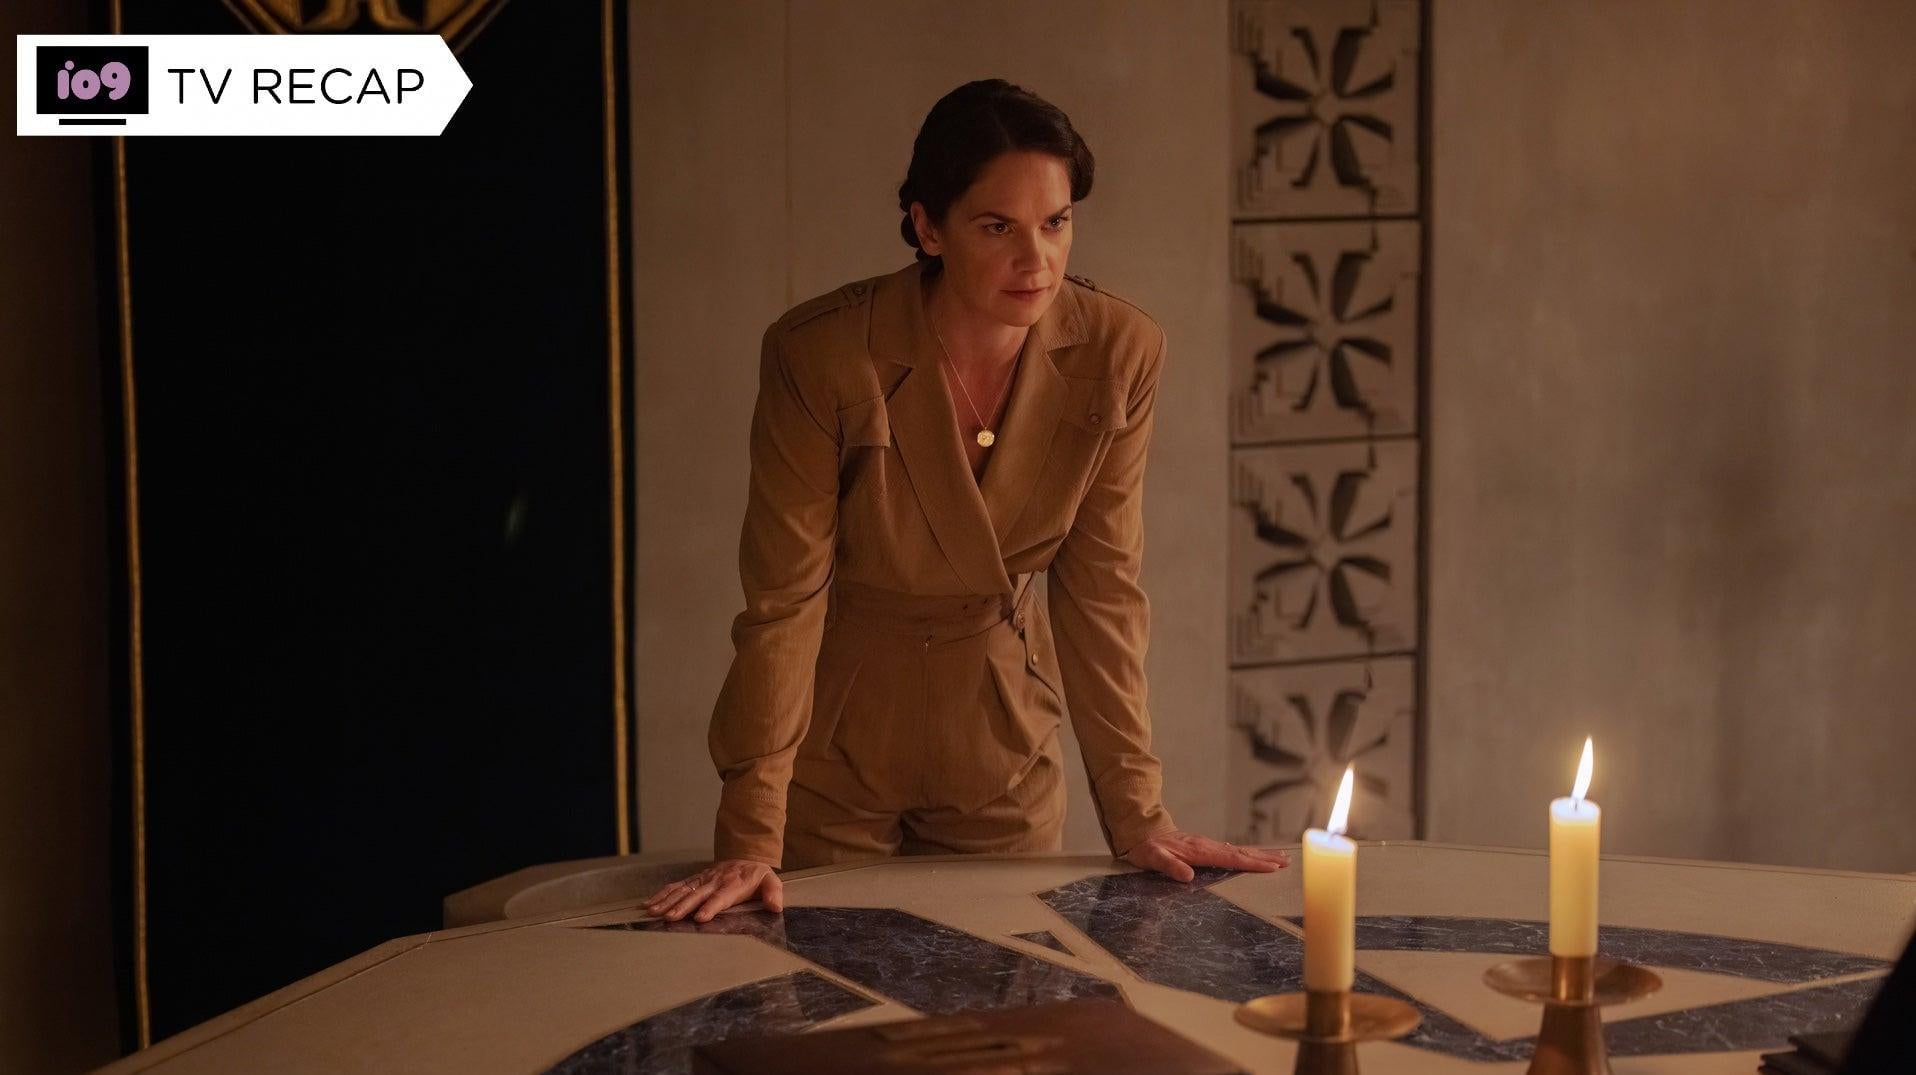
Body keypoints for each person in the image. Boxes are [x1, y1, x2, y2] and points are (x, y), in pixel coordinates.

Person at [645, 79, 1288, 925]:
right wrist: (752, 832)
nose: (1037, 260)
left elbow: (1101, 591)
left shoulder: (1118, 352)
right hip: (834, 747)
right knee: (826, 992)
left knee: (1011, 993)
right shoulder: (823, 354)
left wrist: (1139, 814)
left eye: (1055, 222)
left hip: (1002, 745)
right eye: (997, 227)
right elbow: (784, 600)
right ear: (928, 227)